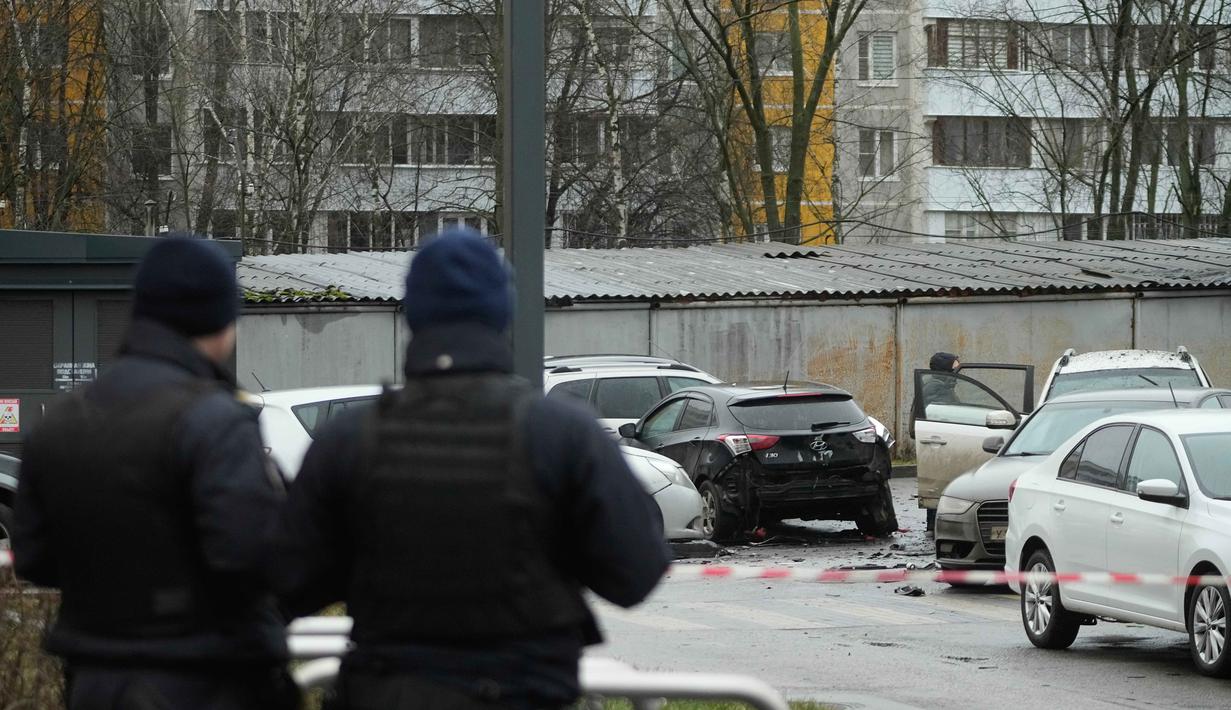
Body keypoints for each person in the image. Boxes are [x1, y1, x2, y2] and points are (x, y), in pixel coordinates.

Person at [269, 228, 671, 710]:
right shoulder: (563, 434)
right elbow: (635, 574)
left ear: (413, 314)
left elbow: (288, 582)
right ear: (503, 312)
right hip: (528, 693)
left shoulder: (349, 440)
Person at [12, 237, 295, 710]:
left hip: (93, 680)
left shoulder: (60, 420)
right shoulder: (215, 421)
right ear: (219, 320)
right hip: (206, 681)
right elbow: (254, 558)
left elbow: (34, 558)